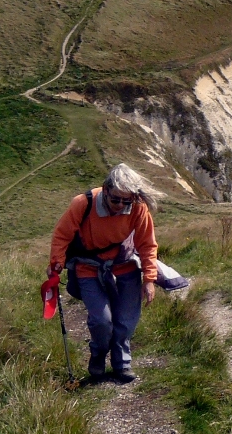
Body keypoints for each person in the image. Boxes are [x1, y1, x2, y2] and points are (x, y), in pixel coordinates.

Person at [48, 164, 159, 383]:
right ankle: (98, 353)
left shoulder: (138, 207)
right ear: (106, 189)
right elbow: (62, 235)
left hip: (125, 266)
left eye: (127, 201)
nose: (121, 205)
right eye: (116, 199)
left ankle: (122, 364)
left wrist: (149, 279)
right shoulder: (83, 203)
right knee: (101, 321)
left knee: (125, 321)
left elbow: (147, 244)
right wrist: (56, 264)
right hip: (88, 268)